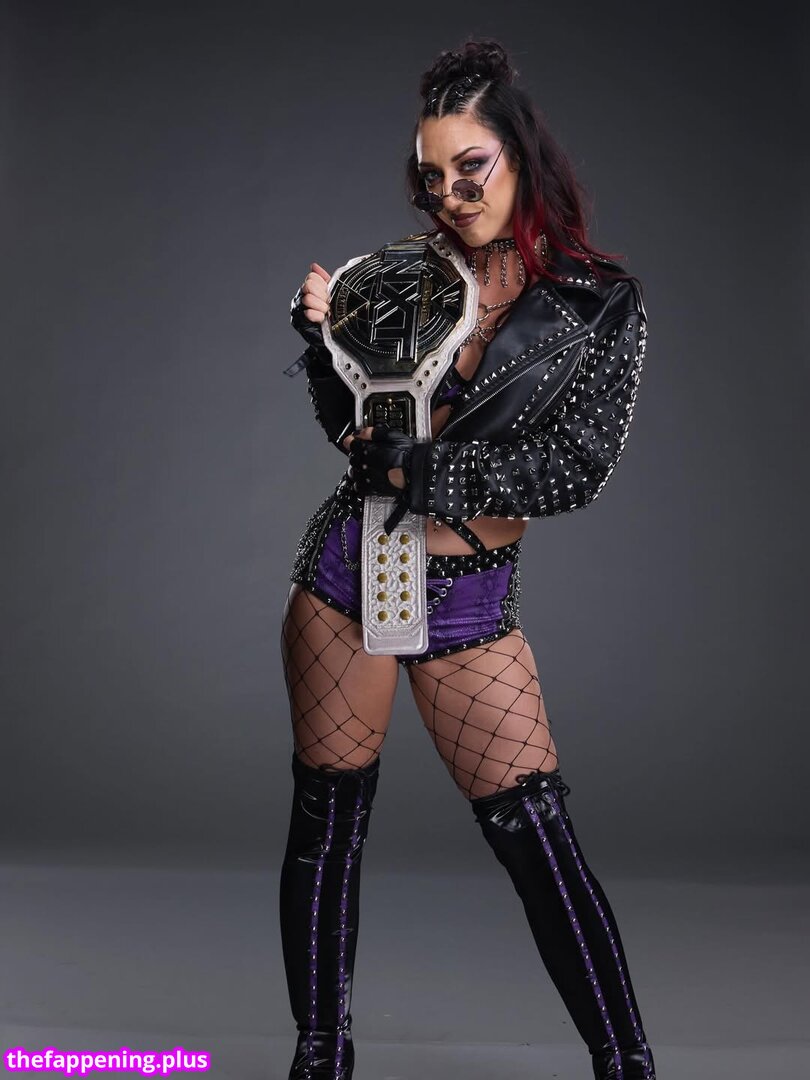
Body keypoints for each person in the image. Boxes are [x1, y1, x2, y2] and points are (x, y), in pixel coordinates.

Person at [279, 38, 657, 1080]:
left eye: (471, 167)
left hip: (466, 595)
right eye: (432, 176)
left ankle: (627, 1063)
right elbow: (354, 430)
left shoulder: (597, 304)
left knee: (537, 838)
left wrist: (434, 471)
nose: (452, 194)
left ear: (520, 154)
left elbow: (575, 469)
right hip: (348, 575)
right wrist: (324, 343)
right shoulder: (404, 274)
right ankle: (320, 1058)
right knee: (327, 825)